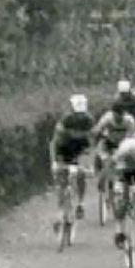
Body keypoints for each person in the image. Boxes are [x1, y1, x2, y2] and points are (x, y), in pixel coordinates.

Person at [49, 94, 94, 223]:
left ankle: (80, 203)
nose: (79, 117)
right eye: (76, 113)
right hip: (63, 150)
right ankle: (59, 210)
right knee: (61, 182)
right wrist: (54, 162)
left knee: (81, 175)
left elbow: (92, 142)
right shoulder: (66, 120)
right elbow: (54, 143)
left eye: (81, 114)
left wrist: (89, 163)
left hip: (80, 151)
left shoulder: (89, 120)